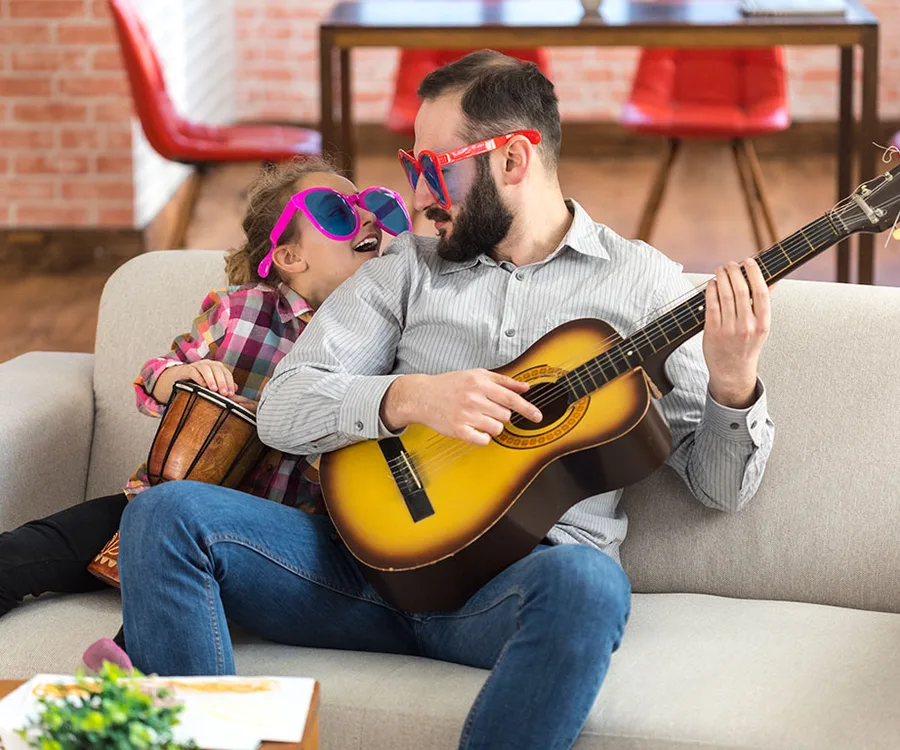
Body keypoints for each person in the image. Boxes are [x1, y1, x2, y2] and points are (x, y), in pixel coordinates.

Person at [117, 51, 774, 750]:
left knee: (589, 586)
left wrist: (734, 384)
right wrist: (409, 397)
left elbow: (722, 490)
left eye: (436, 168)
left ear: (513, 161)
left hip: (510, 595)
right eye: (412, 167)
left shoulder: (644, 288)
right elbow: (284, 408)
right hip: (359, 571)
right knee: (165, 515)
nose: (419, 194)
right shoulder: (407, 266)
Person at [0, 158, 410, 664]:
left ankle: (130, 670)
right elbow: (154, 374)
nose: (366, 218)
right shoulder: (241, 312)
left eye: (370, 205)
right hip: (160, 503)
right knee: (25, 551)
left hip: (268, 543)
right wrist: (184, 377)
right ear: (288, 256)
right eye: (336, 212)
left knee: (181, 580)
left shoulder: (390, 340)